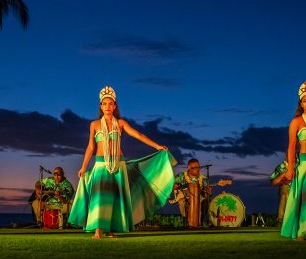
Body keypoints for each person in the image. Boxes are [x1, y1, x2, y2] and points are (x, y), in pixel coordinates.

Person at [68, 85, 176, 239]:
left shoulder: (120, 123)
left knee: (115, 198)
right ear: (101, 106)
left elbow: (138, 135)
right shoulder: (94, 124)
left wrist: (157, 146)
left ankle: (111, 229)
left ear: (115, 105)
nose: (107, 107)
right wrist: (83, 166)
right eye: (104, 104)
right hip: (100, 165)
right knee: (99, 198)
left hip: (119, 165)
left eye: (110, 103)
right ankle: (98, 230)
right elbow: (91, 147)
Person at [281, 81, 306, 240]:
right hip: (304, 165)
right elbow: (291, 147)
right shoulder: (296, 122)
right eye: (305, 101)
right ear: (301, 103)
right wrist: (290, 168)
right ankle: (303, 233)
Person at [172, 158, 212, 227]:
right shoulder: (181, 176)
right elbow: (174, 187)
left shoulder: (203, 178)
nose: (198, 169)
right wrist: (179, 187)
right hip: (185, 197)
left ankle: (200, 222)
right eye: (195, 167)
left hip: (199, 198)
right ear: (189, 168)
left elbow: (206, 194)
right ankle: (187, 221)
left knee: (206, 202)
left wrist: (208, 192)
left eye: (198, 167)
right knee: (182, 202)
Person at [269, 159, 292, 227]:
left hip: (300, 187)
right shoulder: (282, 167)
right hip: (287, 188)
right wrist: (283, 174)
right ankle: (281, 219)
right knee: (285, 189)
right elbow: (273, 181)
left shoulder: (300, 163)